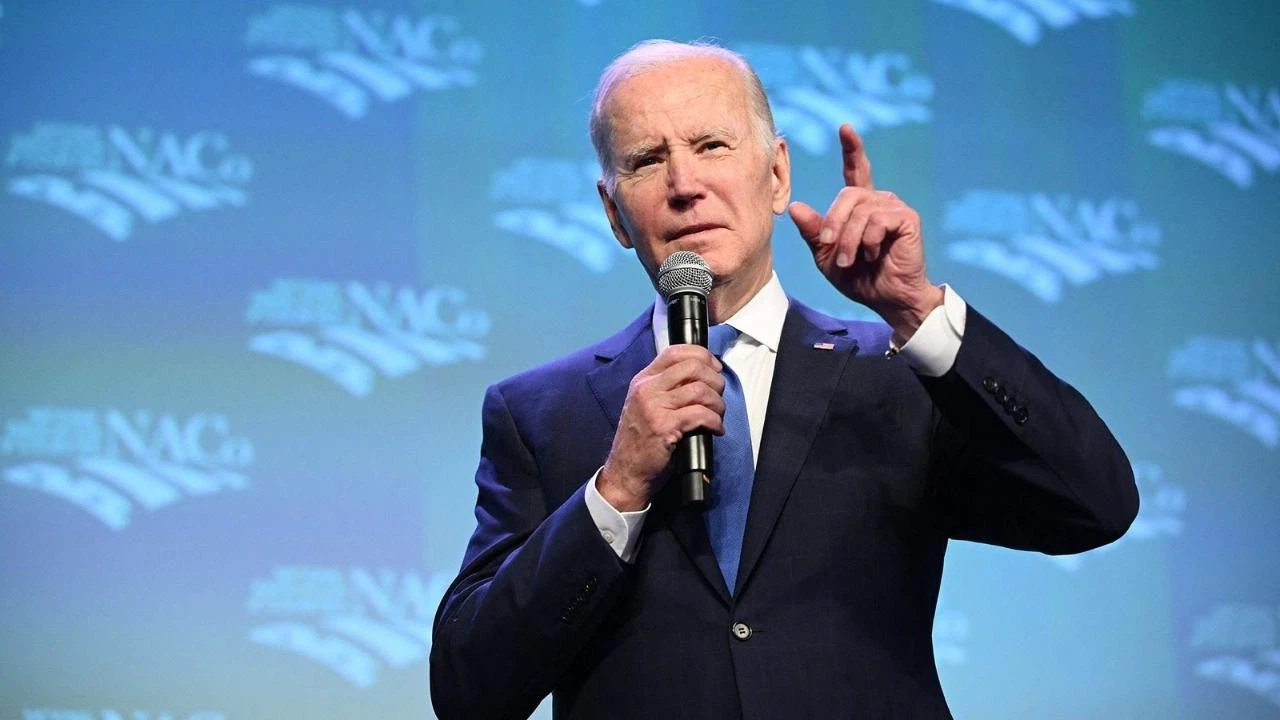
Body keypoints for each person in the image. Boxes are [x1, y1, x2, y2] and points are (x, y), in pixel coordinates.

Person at [430, 39, 1137, 719]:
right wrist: (616, 491)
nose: (685, 186)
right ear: (614, 213)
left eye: (712, 145)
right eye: (647, 160)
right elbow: (469, 691)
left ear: (776, 175)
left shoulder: (895, 375)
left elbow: (1094, 504)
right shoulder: (539, 413)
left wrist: (919, 312)